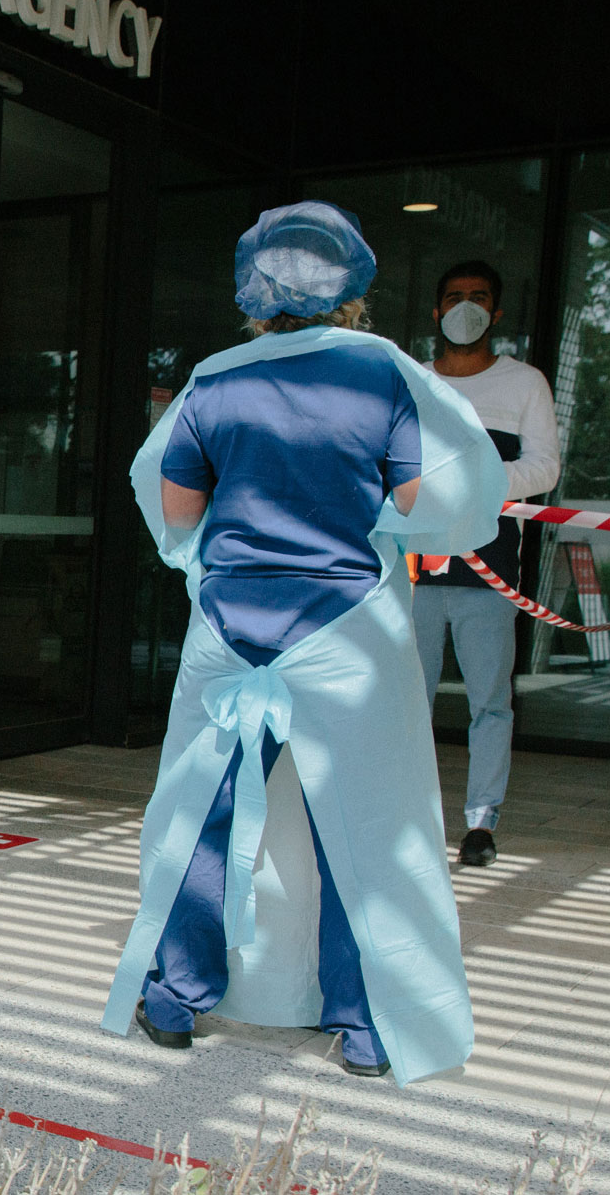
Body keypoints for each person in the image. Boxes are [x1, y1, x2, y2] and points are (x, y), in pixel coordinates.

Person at [101, 202, 508, 1084]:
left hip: (228, 629)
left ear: (254, 290)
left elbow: (176, 517)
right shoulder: (381, 376)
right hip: (346, 630)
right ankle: (364, 1026)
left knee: (203, 815)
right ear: (352, 292)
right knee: (362, 821)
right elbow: (426, 506)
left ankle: (174, 999)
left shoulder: (215, 379)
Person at [410, 262, 560, 868]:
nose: (464, 308)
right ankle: (409, 817)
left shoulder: (524, 383)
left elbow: (544, 468)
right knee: (406, 699)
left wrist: (477, 483)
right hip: (413, 570)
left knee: (490, 700)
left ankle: (480, 822)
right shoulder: (413, 379)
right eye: (454, 297)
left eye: (478, 299)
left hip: (490, 569)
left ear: (496, 313)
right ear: (436, 309)